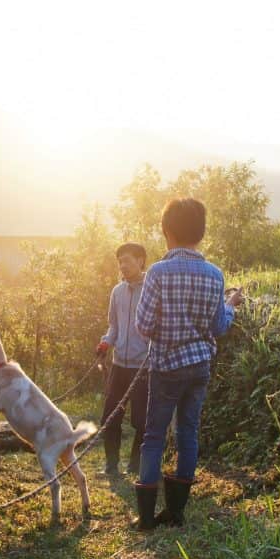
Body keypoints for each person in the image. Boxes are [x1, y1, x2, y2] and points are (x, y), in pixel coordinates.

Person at [132, 198, 243, 531]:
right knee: (187, 434)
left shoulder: (158, 272)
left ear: (167, 231)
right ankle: (177, 513)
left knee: (154, 436)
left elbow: (144, 325)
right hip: (199, 367)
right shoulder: (215, 275)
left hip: (166, 366)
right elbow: (219, 326)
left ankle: (148, 517)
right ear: (201, 233)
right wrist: (231, 305)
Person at [96, 242, 150, 477]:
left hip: (143, 366)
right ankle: (111, 465)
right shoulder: (117, 292)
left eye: (127, 260)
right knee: (110, 416)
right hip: (119, 364)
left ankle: (136, 465)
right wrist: (106, 342)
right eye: (120, 262)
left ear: (140, 261)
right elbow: (114, 326)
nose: (123, 266)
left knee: (141, 420)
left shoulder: (152, 289)